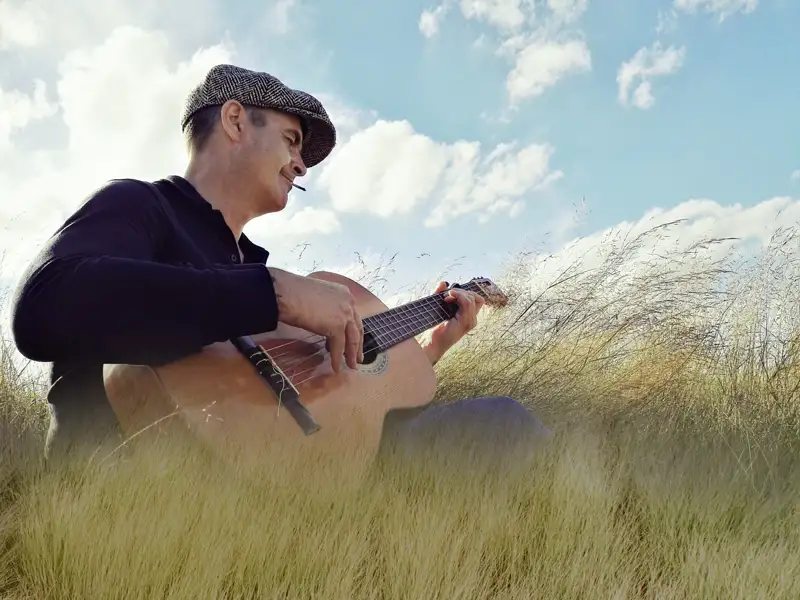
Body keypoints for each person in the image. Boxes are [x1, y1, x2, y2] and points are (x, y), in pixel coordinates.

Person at [10, 64, 551, 467]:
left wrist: (435, 344)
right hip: (135, 482)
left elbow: (333, 405)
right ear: (235, 120)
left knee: (499, 425)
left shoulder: (253, 268)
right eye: (292, 141)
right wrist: (274, 292)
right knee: (506, 424)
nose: (300, 164)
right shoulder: (140, 206)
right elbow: (44, 306)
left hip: (285, 471)